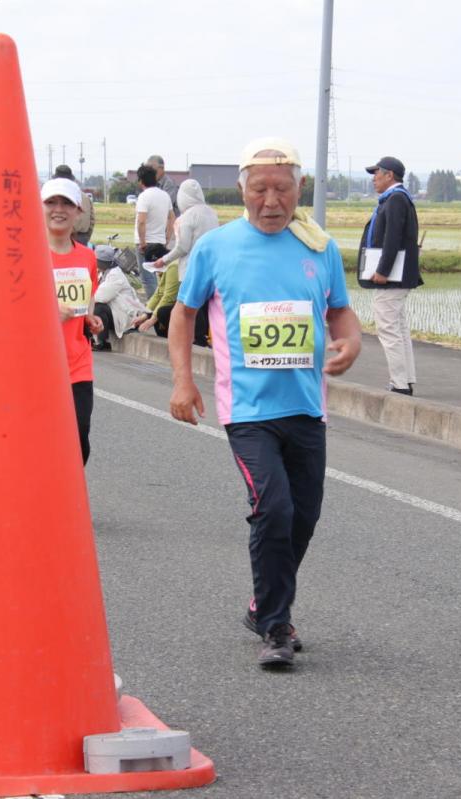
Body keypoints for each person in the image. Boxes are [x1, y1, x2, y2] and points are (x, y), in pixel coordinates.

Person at [167, 136, 362, 669]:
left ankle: (261, 604)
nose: (271, 201)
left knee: (303, 517)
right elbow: (183, 315)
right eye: (260, 190)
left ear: (300, 189)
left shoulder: (319, 248)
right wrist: (184, 381)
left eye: (282, 189)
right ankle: (277, 627)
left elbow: (341, 313)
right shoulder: (216, 247)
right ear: (241, 190)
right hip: (249, 411)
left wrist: (351, 341)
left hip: (307, 407)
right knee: (271, 509)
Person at [42, 177, 103, 465]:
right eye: (51, 202)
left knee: (79, 438)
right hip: (35, 367)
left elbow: (86, 302)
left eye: (67, 203)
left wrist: (90, 318)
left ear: (78, 211)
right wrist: (47, 313)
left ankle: (66, 505)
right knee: (37, 439)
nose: (59, 209)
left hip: (76, 364)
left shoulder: (88, 257)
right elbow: (7, 313)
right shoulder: (27, 257)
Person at [358, 156, 422, 396]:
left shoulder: (395, 200)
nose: (374, 178)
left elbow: (392, 238)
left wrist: (383, 270)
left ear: (390, 175)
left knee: (388, 329)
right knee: (399, 327)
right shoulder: (397, 198)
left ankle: (400, 383)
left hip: (391, 277)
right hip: (398, 275)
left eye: (377, 173)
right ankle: (405, 379)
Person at [152, 178, 218, 346]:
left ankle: (197, 338)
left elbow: (182, 247)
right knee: (205, 304)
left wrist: (164, 260)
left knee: (191, 304)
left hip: (190, 267)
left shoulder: (188, 216)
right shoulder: (211, 212)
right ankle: (203, 336)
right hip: (211, 266)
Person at [91, 244, 148, 351]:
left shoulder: (115, 276)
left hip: (126, 317)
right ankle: (93, 338)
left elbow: (100, 297)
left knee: (97, 307)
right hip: (116, 311)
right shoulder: (104, 272)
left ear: (101, 262)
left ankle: (102, 342)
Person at [134, 163, 174, 300]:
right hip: (160, 241)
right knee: (162, 277)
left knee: (147, 279)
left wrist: (142, 242)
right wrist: (167, 237)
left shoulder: (144, 196)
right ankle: (162, 305)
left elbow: (141, 221)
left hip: (146, 243)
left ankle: (152, 310)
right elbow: (172, 218)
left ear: (141, 180)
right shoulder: (165, 196)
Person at [53, 165, 95, 245]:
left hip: (64, 237)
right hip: (82, 237)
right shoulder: (85, 197)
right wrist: (86, 237)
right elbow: (92, 220)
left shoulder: (55, 197)